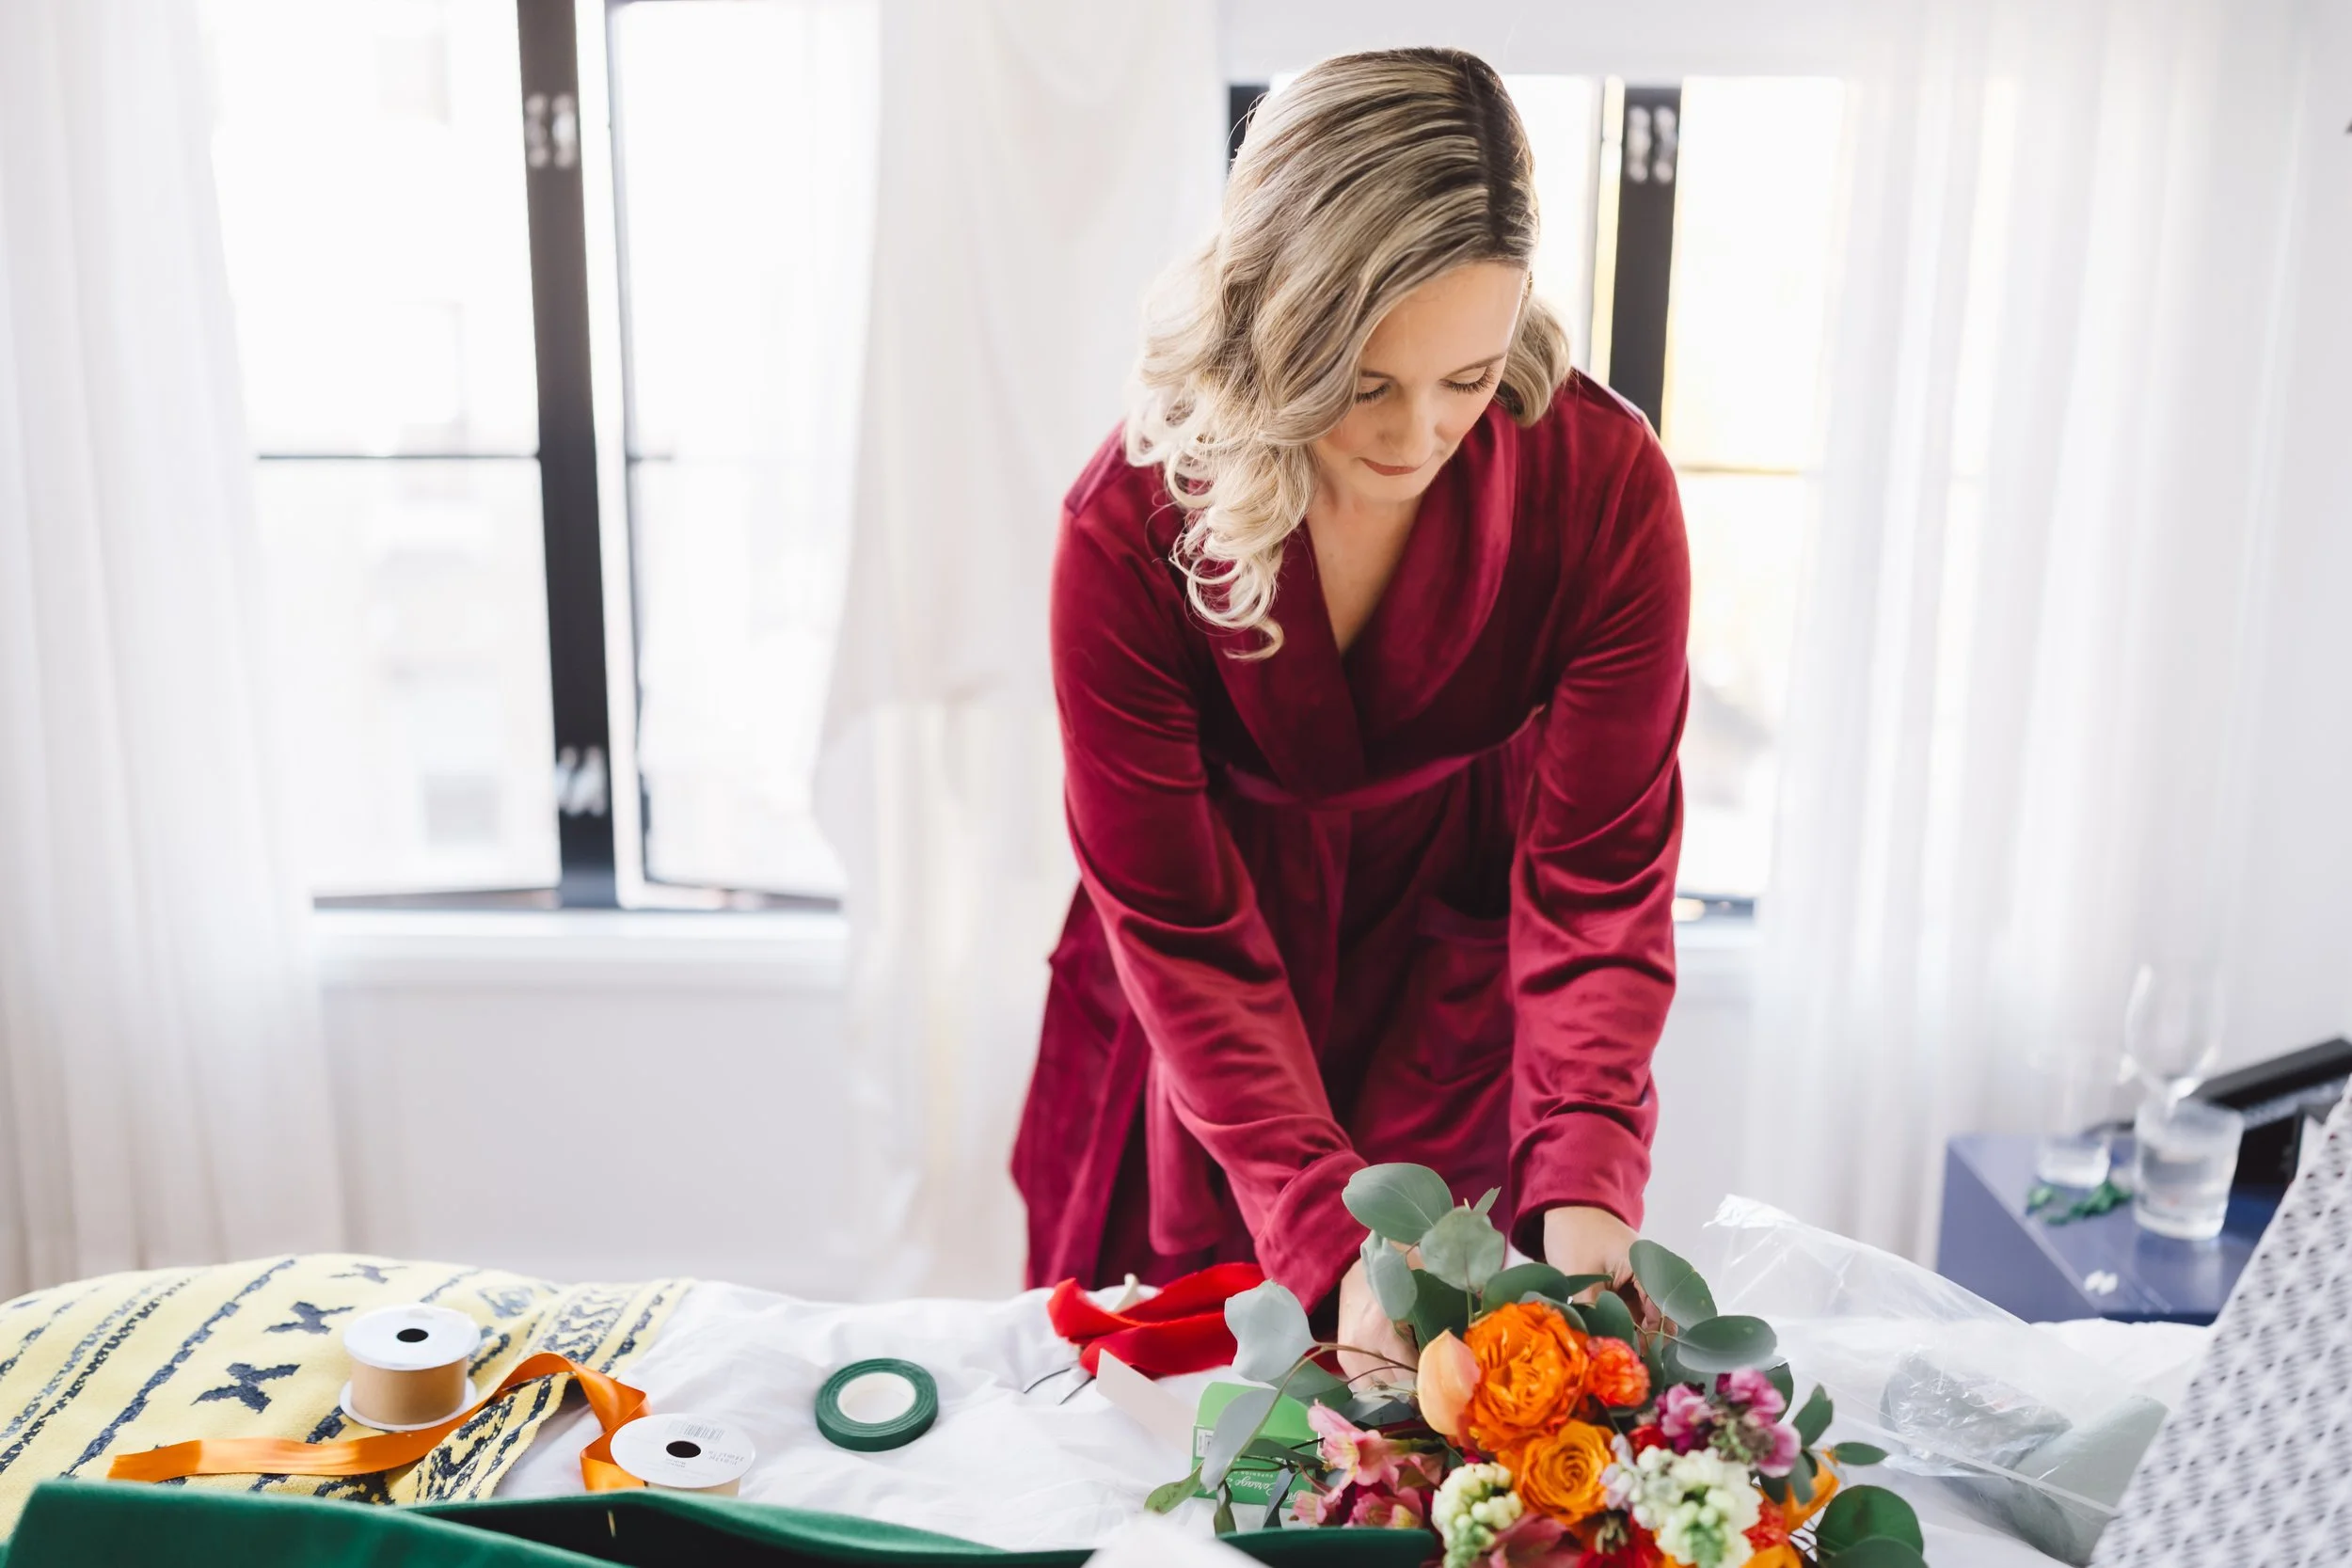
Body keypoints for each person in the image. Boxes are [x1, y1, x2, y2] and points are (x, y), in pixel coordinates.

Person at [1011, 47, 1689, 1379]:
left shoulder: (1604, 492)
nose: (1420, 432)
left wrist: (1590, 1180)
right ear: (1272, 315)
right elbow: (1182, 930)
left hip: (1455, 990)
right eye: (1366, 381)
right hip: (1200, 1024)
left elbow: (1600, 880)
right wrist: (1325, 1233)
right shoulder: (1124, 530)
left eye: (1469, 376)